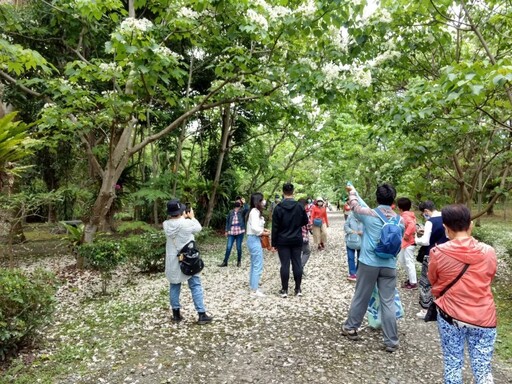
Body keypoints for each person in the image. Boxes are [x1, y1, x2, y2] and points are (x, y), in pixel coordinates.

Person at [428, 204, 497, 384]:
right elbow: (488, 277)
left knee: (453, 362)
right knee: (482, 368)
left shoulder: (437, 253)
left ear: (445, 228)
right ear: (470, 225)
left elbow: (433, 281)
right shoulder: (489, 252)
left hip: (450, 315)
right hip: (484, 317)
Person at [341, 183, 404, 353]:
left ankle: (351, 328)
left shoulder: (369, 215)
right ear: (393, 200)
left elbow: (354, 206)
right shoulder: (400, 221)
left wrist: (353, 192)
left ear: (377, 198)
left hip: (369, 263)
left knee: (361, 296)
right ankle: (391, 340)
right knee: (388, 302)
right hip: (389, 265)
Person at [163, 198, 213, 325]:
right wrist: (192, 217)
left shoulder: (166, 224)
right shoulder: (186, 223)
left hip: (173, 260)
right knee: (195, 285)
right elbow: (198, 228)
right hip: (188, 259)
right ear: (181, 211)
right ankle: (201, 314)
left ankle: (176, 314)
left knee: (174, 285)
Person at [272, 183, 309, 298]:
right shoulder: (299, 206)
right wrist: (295, 225)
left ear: (283, 192)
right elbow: (305, 221)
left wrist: (273, 243)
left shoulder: (278, 207)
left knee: (285, 264)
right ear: (293, 192)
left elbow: (275, 227)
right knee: (297, 263)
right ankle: (298, 289)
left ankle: (284, 290)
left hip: (282, 240)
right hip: (296, 238)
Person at [415, 200, 448, 319]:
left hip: (431, 255)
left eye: (423, 213)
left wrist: (416, 239)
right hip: (446, 254)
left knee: (426, 282)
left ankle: (425, 310)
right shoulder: (446, 217)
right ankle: (443, 308)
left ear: (426, 211)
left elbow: (425, 241)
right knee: (443, 281)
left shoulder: (430, 222)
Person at [246, 192, 270, 297]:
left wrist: (263, 229)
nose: (264, 202)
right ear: (258, 201)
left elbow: (255, 226)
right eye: (262, 200)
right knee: (257, 265)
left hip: (252, 239)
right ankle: (254, 290)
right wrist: (263, 232)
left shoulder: (253, 212)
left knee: (254, 264)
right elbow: (255, 228)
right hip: (254, 239)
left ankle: (253, 286)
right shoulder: (254, 212)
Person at [218, 196, 249, 267]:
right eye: (236, 201)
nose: (237, 202)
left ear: (241, 203)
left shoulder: (242, 211)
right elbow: (227, 221)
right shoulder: (231, 212)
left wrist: (244, 202)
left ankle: (239, 261)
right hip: (231, 232)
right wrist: (226, 230)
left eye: (239, 202)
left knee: (238, 247)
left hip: (240, 232)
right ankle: (225, 262)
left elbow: (247, 209)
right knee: (228, 247)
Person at [396, 197, 417, 289]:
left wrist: (406, 234)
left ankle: (413, 282)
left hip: (409, 243)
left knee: (409, 262)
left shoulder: (405, 216)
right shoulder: (409, 214)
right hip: (406, 244)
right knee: (402, 260)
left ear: (400, 208)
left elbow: (412, 225)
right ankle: (411, 278)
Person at [343, 210, 363, 281]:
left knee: (360, 258)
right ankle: (352, 273)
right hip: (350, 240)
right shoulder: (351, 215)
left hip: (361, 241)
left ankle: (358, 272)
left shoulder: (365, 216)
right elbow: (345, 226)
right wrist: (354, 232)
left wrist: (363, 232)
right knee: (350, 257)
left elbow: (369, 228)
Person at [298, 198, 312, 275]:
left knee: (297, 253)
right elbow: (308, 225)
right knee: (306, 252)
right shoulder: (305, 213)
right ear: (305, 205)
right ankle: (300, 267)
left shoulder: (293, 213)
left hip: (293, 237)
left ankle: (297, 269)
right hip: (303, 237)